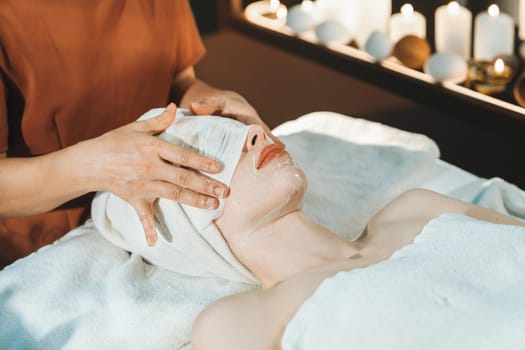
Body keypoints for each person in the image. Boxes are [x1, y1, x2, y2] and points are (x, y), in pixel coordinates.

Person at [91, 108, 525, 349]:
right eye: (211, 147)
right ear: (184, 221)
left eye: (242, 128)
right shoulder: (236, 324)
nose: (258, 133)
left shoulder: (415, 210)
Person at [0, 0, 277, 267]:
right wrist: (96, 167)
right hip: (47, 248)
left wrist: (212, 100)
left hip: (155, 221)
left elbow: (179, 82)